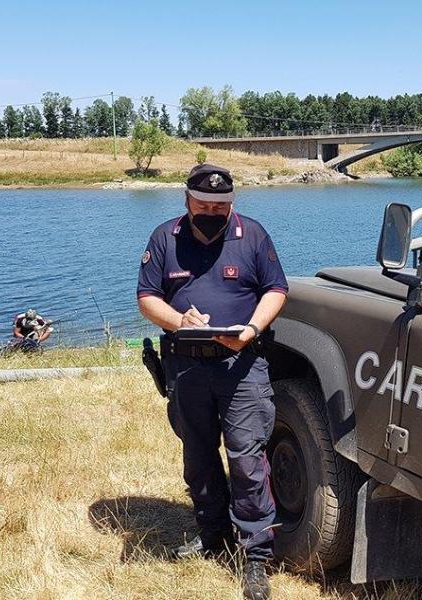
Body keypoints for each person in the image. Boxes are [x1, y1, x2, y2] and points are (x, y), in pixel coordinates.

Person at [136, 164, 288, 600]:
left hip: (242, 366)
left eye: (219, 206)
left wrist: (252, 329)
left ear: (231, 204)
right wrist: (178, 321)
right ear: (186, 200)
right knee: (198, 456)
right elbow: (147, 297)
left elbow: (276, 290)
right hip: (186, 367)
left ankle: (255, 554)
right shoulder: (164, 238)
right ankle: (212, 534)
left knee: (247, 458)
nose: (210, 212)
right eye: (202, 205)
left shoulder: (253, 235)